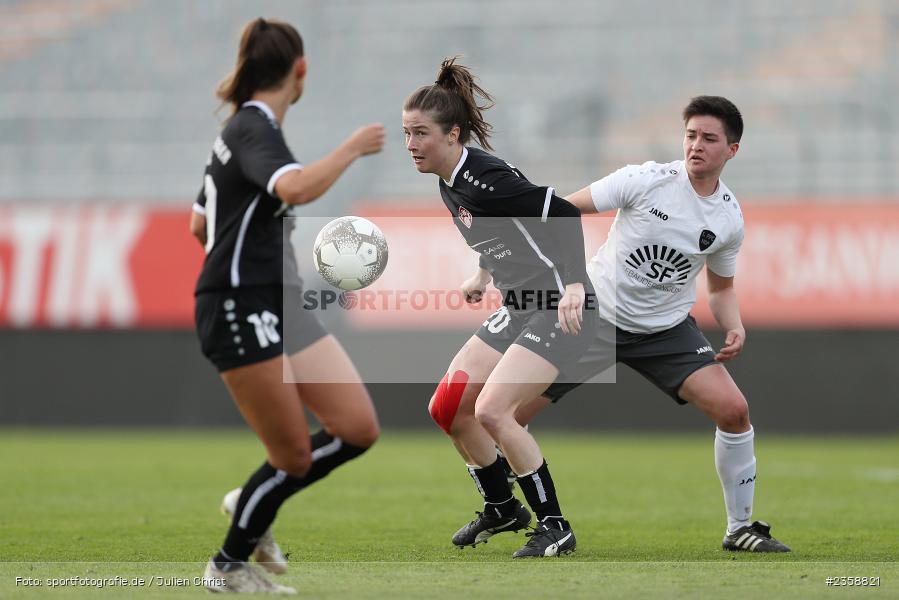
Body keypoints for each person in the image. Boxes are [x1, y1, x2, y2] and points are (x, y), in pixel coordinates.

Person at [464, 95, 790, 553]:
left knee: (734, 411)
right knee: (502, 417)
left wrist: (733, 324)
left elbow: (720, 288)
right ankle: (503, 508)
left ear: (731, 150)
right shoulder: (645, 180)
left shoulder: (728, 218)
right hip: (590, 318)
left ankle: (739, 528)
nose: (696, 145)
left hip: (666, 330)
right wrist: (486, 266)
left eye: (709, 138)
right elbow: (555, 212)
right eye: (691, 134)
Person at [190, 18, 384, 593]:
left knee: (356, 427)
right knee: (293, 457)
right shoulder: (255, 128)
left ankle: (253, 503)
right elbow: (294, 188)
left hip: (280, 300)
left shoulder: (240, 131)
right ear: (300, 71)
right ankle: (226, 567)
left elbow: (198, 223)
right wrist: (351, 148)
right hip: (239, 304)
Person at [402, 57, 600, 558]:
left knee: (493, 410)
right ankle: (502, 508)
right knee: (448, 409)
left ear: (453, 135)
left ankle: (555, 525)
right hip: (518, 304)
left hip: (558, 304)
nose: (411, 145)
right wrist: (483, 274)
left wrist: (575, 283)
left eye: (421, 133)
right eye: (407, 133)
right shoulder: (448, 180)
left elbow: (562, 211)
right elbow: (497, 233)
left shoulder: (486, 176)